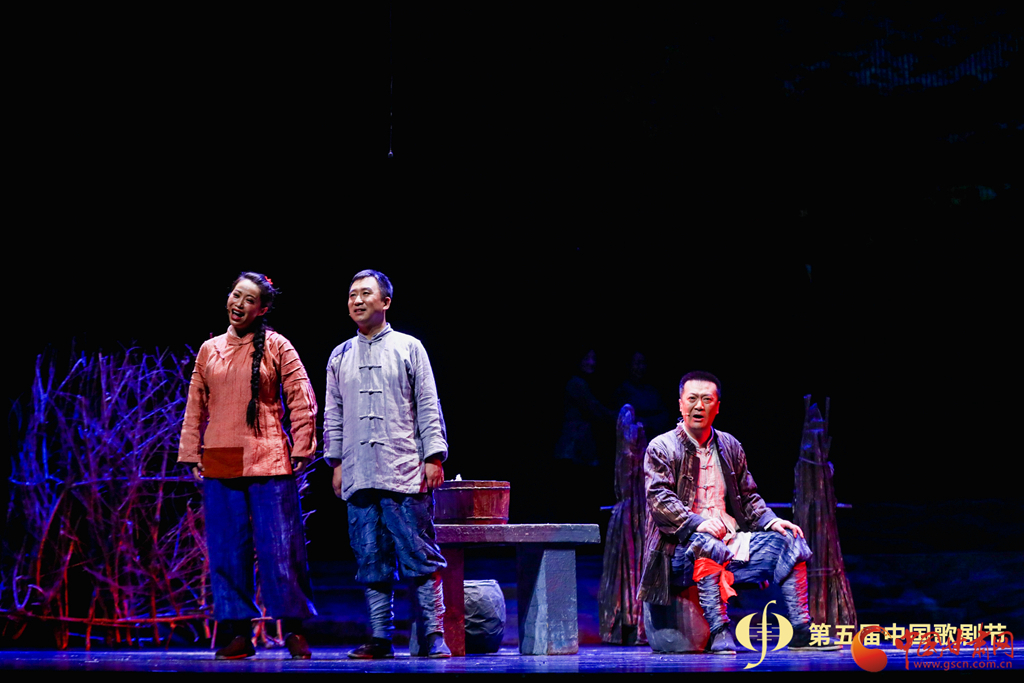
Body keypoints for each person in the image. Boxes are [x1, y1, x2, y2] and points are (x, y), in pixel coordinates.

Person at [639, 371, 840, 654]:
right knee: (707, 543)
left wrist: (771, 521)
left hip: (727, 544)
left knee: (790, 542)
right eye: (692, 399)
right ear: (681, 404)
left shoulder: (730, 446)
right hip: (677, 554)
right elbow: (660, 500)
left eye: (707, 399)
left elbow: (748, 497)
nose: (699, 406)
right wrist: (696, 524)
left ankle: (801, 630)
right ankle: (719, 631)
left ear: (717, 406)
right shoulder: (661, 447)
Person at [178, 272, 318, 660]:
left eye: (249, 300)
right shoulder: (210, 349)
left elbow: (301, 397)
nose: (238, 304)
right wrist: (190, 452)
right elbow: (195, 404)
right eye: (236, 295)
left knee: (281, 548)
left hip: (269, 459)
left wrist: (303, 445)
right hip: (220, 459)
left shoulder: (277, 345)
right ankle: (239, 633)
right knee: (228, 552)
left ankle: (293, 629)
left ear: (262, 309)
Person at [324, 269, 451, 659]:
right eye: (352, 295)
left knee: (419, 554)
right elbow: (333, 413)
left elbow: (428, 403)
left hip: (403, 470)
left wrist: (433, 456)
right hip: (359, 472)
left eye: (366, 293)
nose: (357, 300)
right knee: (370, 558)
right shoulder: (340, 355)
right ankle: (380, 639)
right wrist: (336, 462)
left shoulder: (409, 347)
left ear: (386, 302)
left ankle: (433, 635)